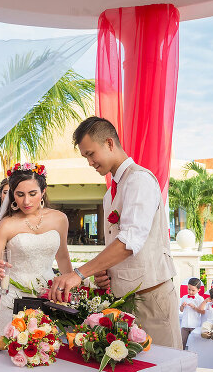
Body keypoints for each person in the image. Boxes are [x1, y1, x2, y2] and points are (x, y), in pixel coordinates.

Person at [49, 117, 180, 349]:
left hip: (151, 299)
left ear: (109, 143)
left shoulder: (139, 180)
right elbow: (118, 247)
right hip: (123, 302)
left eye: (91, 154)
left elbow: (129, 242)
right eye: (85, 157)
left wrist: (79, 273)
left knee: (162, 366)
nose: (90, 163)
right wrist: (106, 273)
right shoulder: (109, 195)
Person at [0, 163, 72, 342]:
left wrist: (70, 289)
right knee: (11, 347)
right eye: (20, 195)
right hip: (14, 299)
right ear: (13, 195)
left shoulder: (59, 219)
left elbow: (63, 258)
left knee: (49, 347)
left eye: (32, 194)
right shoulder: (6, 225)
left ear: (43, 191)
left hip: (49, 297)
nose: (26, 201)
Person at [179, 278, 205, 349]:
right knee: (182, 342)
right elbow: (181, 310)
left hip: (195, 325)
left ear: (198, 290)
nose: (190, 292)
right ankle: (181, 353)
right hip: (185, 324)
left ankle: (194, 353)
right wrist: (182, 306)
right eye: (189, 289)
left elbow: (203, 312)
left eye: (193, 290)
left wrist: (194, 307)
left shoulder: (200, 299)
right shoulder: (184, 297)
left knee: (194, 343)